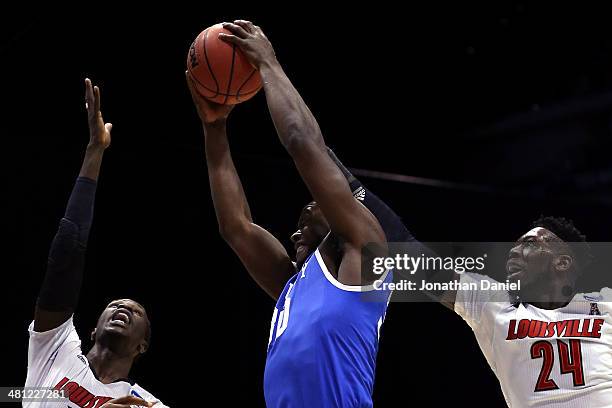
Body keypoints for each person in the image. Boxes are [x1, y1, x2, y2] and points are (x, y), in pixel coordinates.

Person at [186, 19, 411, 408]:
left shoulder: (366, 248)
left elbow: (303, 143)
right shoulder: (293, 287)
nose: (294, 234)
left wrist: (269, 64)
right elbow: (235, 227)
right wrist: (215, 128)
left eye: (309, 218)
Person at [25, 79, 167, 408]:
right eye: (117, 305)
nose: (124, 309)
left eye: (137, 312)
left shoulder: (147, 405)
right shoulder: (55, 346)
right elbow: (66, 253)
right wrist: (94, 151)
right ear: (92, 329)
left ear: (142, 346)